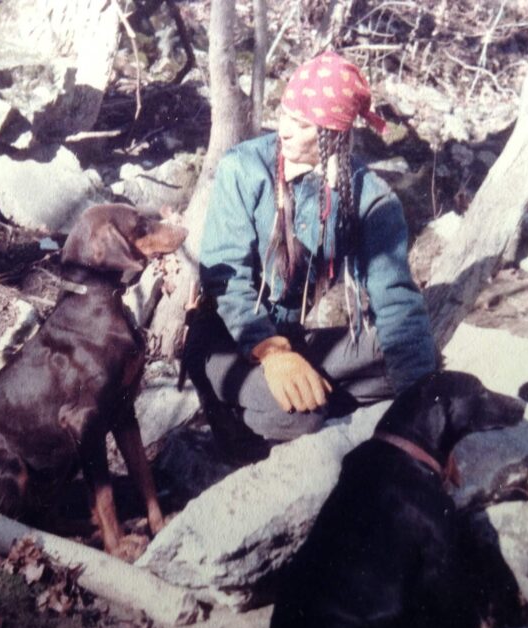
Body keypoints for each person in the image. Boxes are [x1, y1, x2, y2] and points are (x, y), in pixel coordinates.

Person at [184, 50, 438, 461]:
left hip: (296, 340)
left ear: (332, 134)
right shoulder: (244, 169)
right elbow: (224, 279)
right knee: (302, 420)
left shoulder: (371, 198)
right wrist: (271, 350)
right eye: (284, 113)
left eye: (302, 124)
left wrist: (428, 419)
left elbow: (398, 305)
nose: (283, 129)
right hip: (226, 340)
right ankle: (242, 414)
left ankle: (303, 393)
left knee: (406, 359)